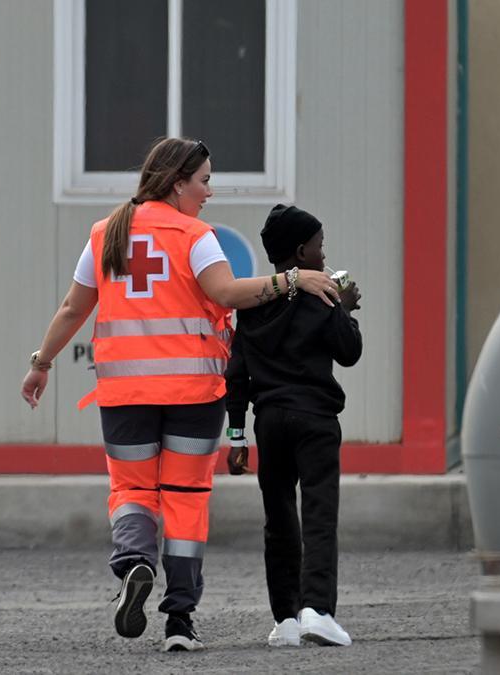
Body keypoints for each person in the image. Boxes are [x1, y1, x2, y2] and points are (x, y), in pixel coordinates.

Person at [19, 138, 341, 652]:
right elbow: (228, 294)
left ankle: (136, 562)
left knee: (132, 492)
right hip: (193, 392)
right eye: (205, 181)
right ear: (177, 184)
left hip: (125, 393)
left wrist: (42, 364)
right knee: (186, 501)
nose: (209, 192)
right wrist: (293, 279)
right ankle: (179, 622)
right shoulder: (196, 235)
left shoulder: (106, 234)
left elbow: (72, 309)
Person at [224, 204, 362, 648]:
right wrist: (344, 307)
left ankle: (285, 619)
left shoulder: (251, 306)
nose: (324, 256)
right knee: (318, 514)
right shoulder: (321, 296)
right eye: (320, 247)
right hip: (315, 420)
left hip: (269, 423)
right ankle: (317, 611)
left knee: (278, 518)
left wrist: (237, 436)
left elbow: (237, 374)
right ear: (302, 251)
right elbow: (349, 351)